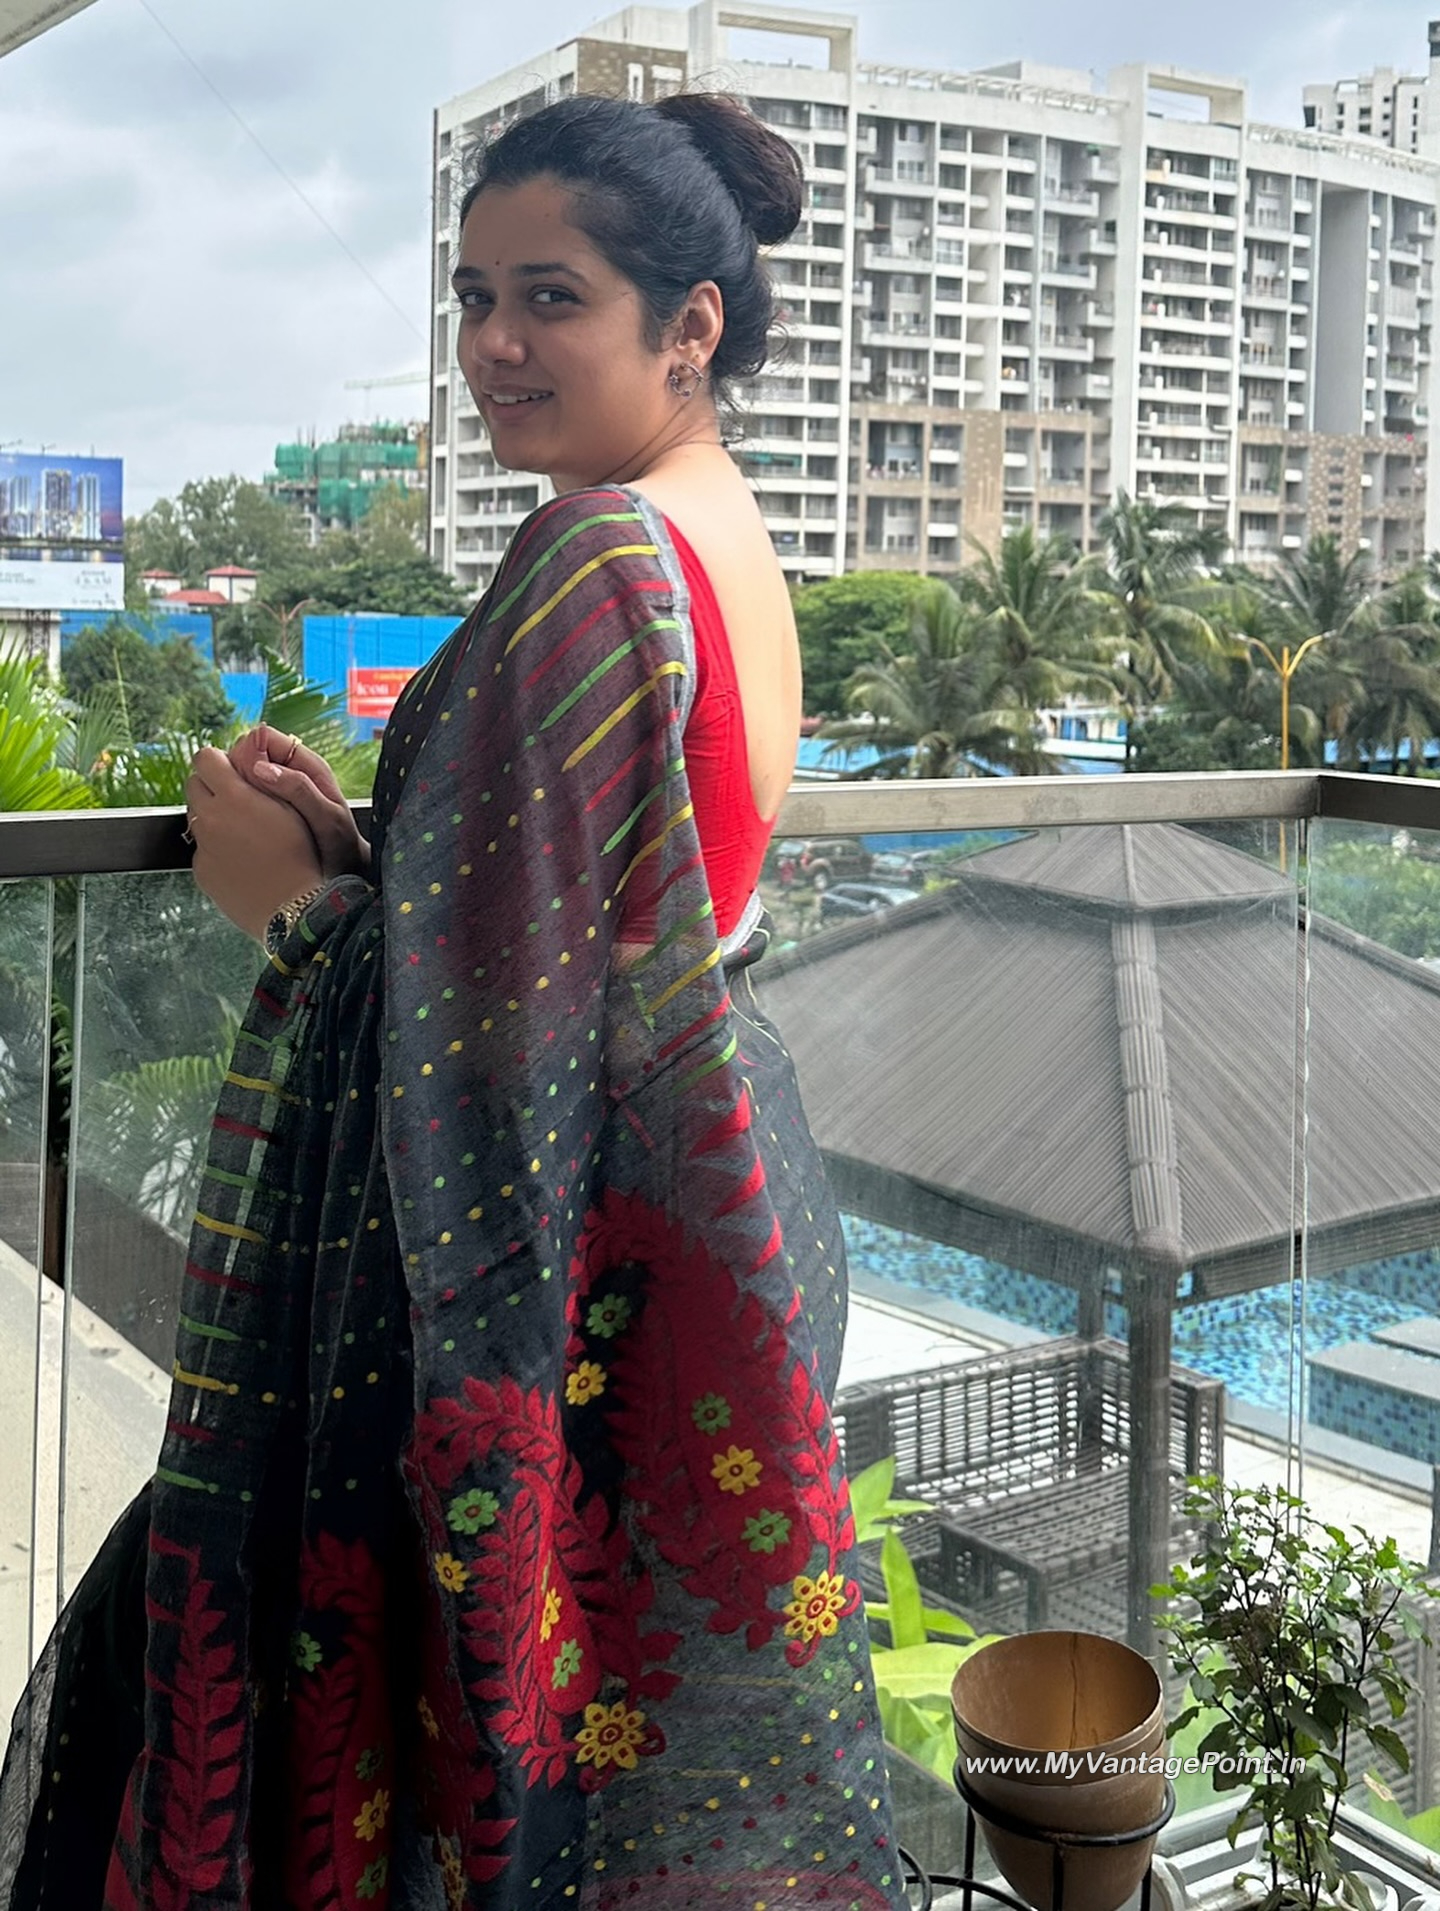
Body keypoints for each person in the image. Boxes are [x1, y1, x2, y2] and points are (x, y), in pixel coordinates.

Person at [0, 91, 903, 1909]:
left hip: (539, 1265)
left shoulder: (595, 559)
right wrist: (376, 862)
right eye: (476, 295)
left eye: (551, 297)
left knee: (273, 1739)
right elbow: (608, 922)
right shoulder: (726, 537)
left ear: (690, 324)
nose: (495, 343)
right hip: (702, 1214)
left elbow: (497, 1054)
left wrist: (290, 910)